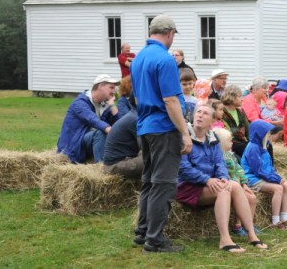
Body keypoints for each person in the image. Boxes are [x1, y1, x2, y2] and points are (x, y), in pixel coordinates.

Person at [131, 14, 192, 253]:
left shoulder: (138, 59)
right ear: (169, 33)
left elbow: (136, 98)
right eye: (173, 35)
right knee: (164, 184)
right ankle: (154, 240)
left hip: (144, 126)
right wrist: (184, 133)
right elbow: (170, 100)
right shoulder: (165, 60)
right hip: (163, 128)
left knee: (148, 181)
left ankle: (143, 231)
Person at [176, 104, 266, 253]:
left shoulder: (213, 138)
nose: (200, 115)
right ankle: (225, 239)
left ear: (212, 121)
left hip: (209, 183)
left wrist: (223, 177)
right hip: (187, 185)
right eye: (198, 112)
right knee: (224, 190)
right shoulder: (183, 137)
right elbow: (183, 169)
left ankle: (252, 235)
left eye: (205, 113)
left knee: (234, 185)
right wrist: (207, 180)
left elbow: (220, 162)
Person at [242, 120, 287, 230]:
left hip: (263, 176)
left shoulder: (264, 146)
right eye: (267, 133)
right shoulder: (253, 148)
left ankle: (284, 218)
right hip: (252, 178)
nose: (269, 135)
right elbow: (258, 170)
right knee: (278, 189)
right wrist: (275, 179)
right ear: (259, 134)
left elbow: (268, 167)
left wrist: (276, 177)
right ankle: (275, 221)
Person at [57, 74, 120, 163]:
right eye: (111, 88)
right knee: (101, 133)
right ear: (100, 86)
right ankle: (101, 167)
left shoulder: (104, 104)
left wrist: (112, 105)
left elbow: (119, 124)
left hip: (87, 143)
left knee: (106, 133)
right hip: (73, 147)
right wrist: (110, 130)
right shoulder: (79, 103)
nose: (114, 91)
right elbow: (93, 119)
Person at [214, 128, 259, 237]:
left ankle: (248, 224)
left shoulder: (231, 155)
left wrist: (244, 183)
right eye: (230, 140)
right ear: (223, 143)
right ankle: (237, 226)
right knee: (243, 198)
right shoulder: (219, 158)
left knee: (252, 198)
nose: (232, 142)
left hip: (238, 185)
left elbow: (239, 169)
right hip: (230, 187)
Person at [102, 108, 142, 179]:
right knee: (151, 159)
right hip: (114, 167)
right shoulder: (135, 119)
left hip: (115, 163)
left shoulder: (132, 115)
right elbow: (146, 147)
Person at [220, 84, 250, 157]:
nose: (242, 99)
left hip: (243, 142)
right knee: (247, 148)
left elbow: (248, 130)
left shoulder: (240, 112)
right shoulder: (221, 112)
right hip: (230, 144)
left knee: (266, 145)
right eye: (239, 96)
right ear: (231, 97)